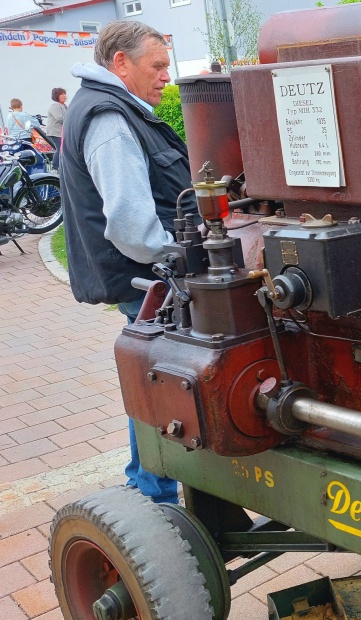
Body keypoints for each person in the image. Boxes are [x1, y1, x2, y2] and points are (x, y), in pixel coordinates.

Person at [59, 20, 197, 504]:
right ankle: (153, 495)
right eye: (157, 66)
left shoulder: (110, 109)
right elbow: (130, 224)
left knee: (153, 379)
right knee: (160, 382)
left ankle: (148, 482)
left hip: (145, 277)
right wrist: (184, 257)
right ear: (121, 62)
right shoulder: (110, 119)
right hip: (149, 279)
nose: (166, 76)